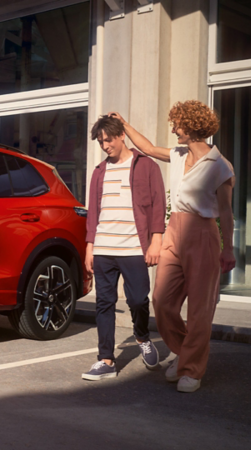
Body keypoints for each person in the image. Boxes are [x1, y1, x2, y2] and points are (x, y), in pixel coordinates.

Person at [110, 101, 235, 393]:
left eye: (177, 124)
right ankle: (185, 353)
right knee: (162, 301)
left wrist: (228, 248)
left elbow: (227, 213)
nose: (174, 128)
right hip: (174, 230)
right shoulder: (179, 155)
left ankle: (192, 368)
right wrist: (125, 125)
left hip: (202, 233)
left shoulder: (220, 166)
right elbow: (150, 148)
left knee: (200, 309)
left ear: (191, 127)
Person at [81, 115, 165, 381]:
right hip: (104, 247)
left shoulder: (146, 166)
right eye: (101, 142)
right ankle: (106, 359)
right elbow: (93, 212)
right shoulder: (99, 171)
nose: (105, 146)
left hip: (134, 248)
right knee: (104, 303)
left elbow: (158, 204)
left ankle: (142, 336)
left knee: (138, 299)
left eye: (108, 140)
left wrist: (156, 240)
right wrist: (89, 247)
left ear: (121, 136)